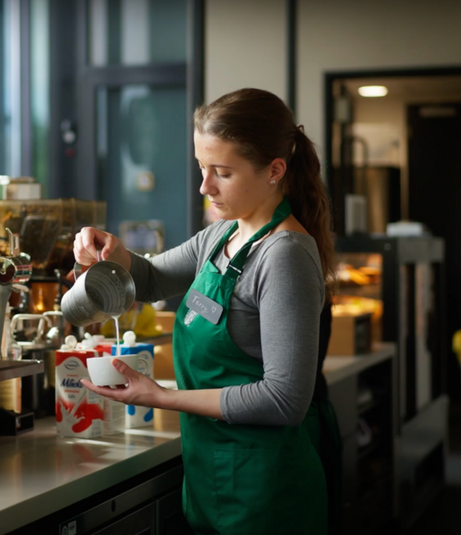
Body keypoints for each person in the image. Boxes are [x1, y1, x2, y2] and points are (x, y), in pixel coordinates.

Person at [75, 88, 336, 534]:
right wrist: (113, 252)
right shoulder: (222, 236)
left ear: (275, 171)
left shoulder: (284, 255)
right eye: (201, 167)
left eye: (222, 172)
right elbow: (152, 278)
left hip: (266, 493)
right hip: (212, 472)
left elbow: (285, 399)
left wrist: (162, 397)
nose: (204, 186)